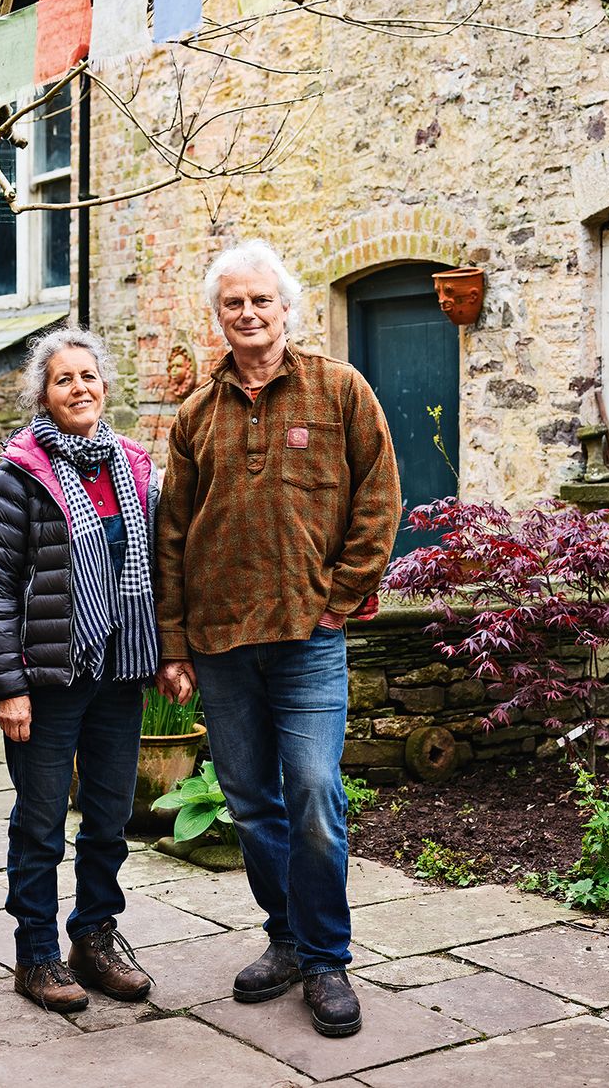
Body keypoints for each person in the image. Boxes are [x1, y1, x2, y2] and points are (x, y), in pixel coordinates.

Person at [155, 240, 402, 1038]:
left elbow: (379, 498)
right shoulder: (196, 415)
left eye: (262, 300)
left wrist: (340, 598)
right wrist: (175, 642)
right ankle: (286, 939)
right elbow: (172, 534)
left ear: (286, 308)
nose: (249, 314)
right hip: (222, 641)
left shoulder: (339, 390)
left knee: (315, 796)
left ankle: (327, 958)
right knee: (253, 804)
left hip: (307, 637)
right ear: (217, 315)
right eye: (233, 303)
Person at [0, 326, 159, 1014]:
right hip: (49, 679)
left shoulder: (134, 467)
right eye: (63, 379)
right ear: (43, 395)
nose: (79, 387)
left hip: (119, 673)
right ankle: (36, 954)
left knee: (109, 817)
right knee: (42, 822)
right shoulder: (17, 478)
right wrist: (9, 685)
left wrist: (169, 654)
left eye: (89, 375)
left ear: (104, 385)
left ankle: (94, 937)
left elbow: (158, 571)